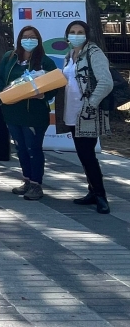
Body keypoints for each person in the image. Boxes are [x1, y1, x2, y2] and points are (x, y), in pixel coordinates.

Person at [55, 20, 114, 214]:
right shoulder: (69, 55)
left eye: (80, 32)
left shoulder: (94, 53)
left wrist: (91, 104)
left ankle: (101, 196)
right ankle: (92, 191)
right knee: (83, 154)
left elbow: (105, 82)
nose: (76, 35)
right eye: (72, 31)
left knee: (88, 155)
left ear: (87, 34)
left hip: (88, 113)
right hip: (72, 113)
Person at [0, 26, 58, 201]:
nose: (28, 40)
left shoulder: (45, 61)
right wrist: (2, 94)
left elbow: (57, 84)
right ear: (19, 39)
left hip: (34, 114)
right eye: (25, 36)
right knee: (20, 148)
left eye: (32, 37)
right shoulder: (9, 57)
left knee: (33, 149)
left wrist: (44, 94)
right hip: (13, 112)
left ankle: (37, 185)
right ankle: (27, 180)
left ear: (38, 40)